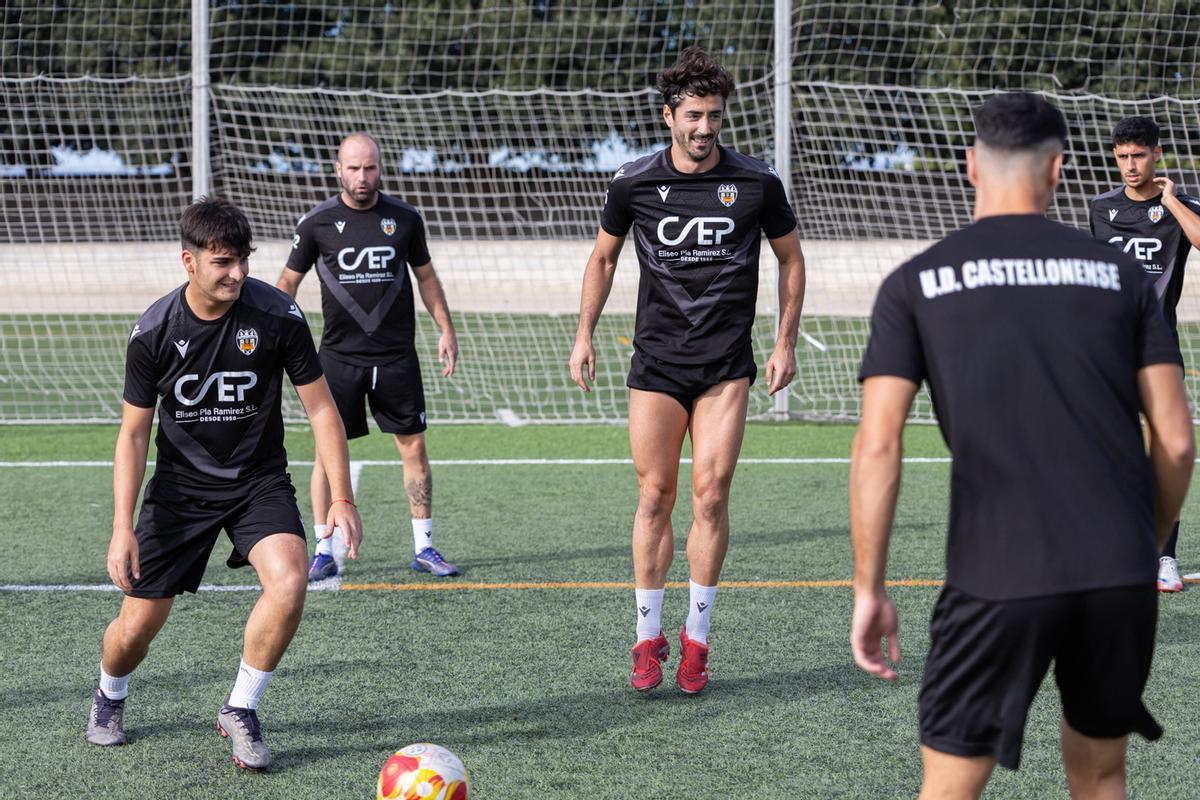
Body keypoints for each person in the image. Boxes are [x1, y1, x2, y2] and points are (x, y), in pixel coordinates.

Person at [850, 93, 1194, 798]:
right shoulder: (1123, 278)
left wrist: (869, 587)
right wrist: (1148, 542)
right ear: (1060, 169)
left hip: (994, 571)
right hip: (1116, 572)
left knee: (949, 785)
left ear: (972, 166)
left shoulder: (916, 281)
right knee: (1102, 778)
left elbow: (879, 446)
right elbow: (1178, 442)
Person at [87, 197, 363, 771]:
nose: (236, 273)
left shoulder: (278, 316)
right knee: (135, 628)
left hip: (257, 482)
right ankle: (110, 692)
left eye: (241, 259)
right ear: (188, 262)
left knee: (289, 581)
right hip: (179, 492)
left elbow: (322, 412)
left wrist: (341, 496)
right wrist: (121, 527)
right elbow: (134, 436)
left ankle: (241, 707)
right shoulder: (155, 331)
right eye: (221, 262)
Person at [569, 46, 806, 694]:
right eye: (694, 115)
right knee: (654, 496)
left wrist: (785, 342)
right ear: (669, 114)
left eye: (715, 116)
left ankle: (697, 640)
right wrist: (584, 335)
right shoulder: (633, 182)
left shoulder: (756, 182)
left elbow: (790, 259)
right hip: (657, 366)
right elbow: (603, 260)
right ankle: (648, 637)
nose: (705, 128)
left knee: (710, 495)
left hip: (726, 368)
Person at [277, 133, 460, 581]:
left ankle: (425, 547)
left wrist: (446, 328)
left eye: (370, 168)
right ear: (338, 169)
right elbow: (285, 286)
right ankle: (322, 549)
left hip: (397, 358)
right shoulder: (316, 223)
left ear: (381, 168)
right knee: (325, 456)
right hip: (337, 360)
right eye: (354, 168)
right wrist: (280, 342)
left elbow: (427, 278)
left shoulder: (404, 219)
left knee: (414, 448)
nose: (362, 177)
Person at [1088, 115, 1200, 592]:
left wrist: (1170, 200)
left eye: (1138, 156)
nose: (1130, 166)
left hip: (1158, 344)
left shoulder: (1182, 206)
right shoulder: (1101, 208)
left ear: (1156, 153)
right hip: (1108, 345)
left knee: (1165, 449)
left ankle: (1164, 558)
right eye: (1122, 158)